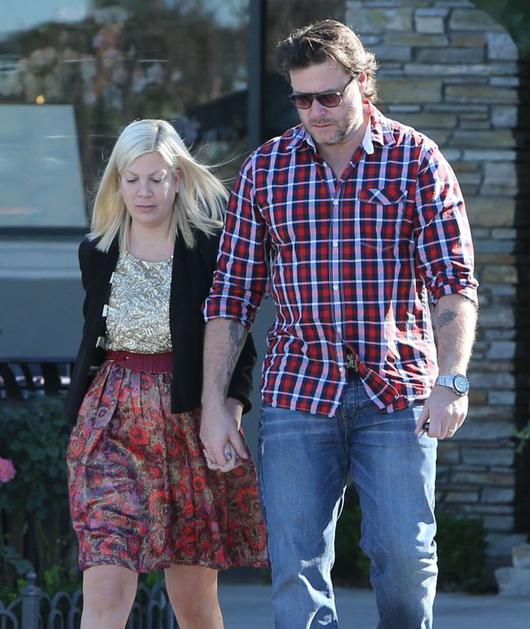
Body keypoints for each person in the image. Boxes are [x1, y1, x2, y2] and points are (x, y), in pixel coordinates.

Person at [200, 19, 478, 629]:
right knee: (295, 565)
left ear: (362, 83)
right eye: (302, 100)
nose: (316, 112)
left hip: (397, 392)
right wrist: (215, 403)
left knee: (404, 559)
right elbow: (231, 296)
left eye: (329, 96)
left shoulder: (415, 161)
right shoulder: (266, 170)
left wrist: (452, 380)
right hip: (299, 391)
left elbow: (453, 284)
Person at [64, 119, 267, 629]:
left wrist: (228, 412)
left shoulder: (210, 248)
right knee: (105, 583)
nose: (144, 192)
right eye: (132, 179)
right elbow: (93, 337)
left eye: (156, 178)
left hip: (187, 424)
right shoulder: (98, 250)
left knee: (194, 602)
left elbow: (237, 345)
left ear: (177, 178)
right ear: (117, 183)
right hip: (111, 421)